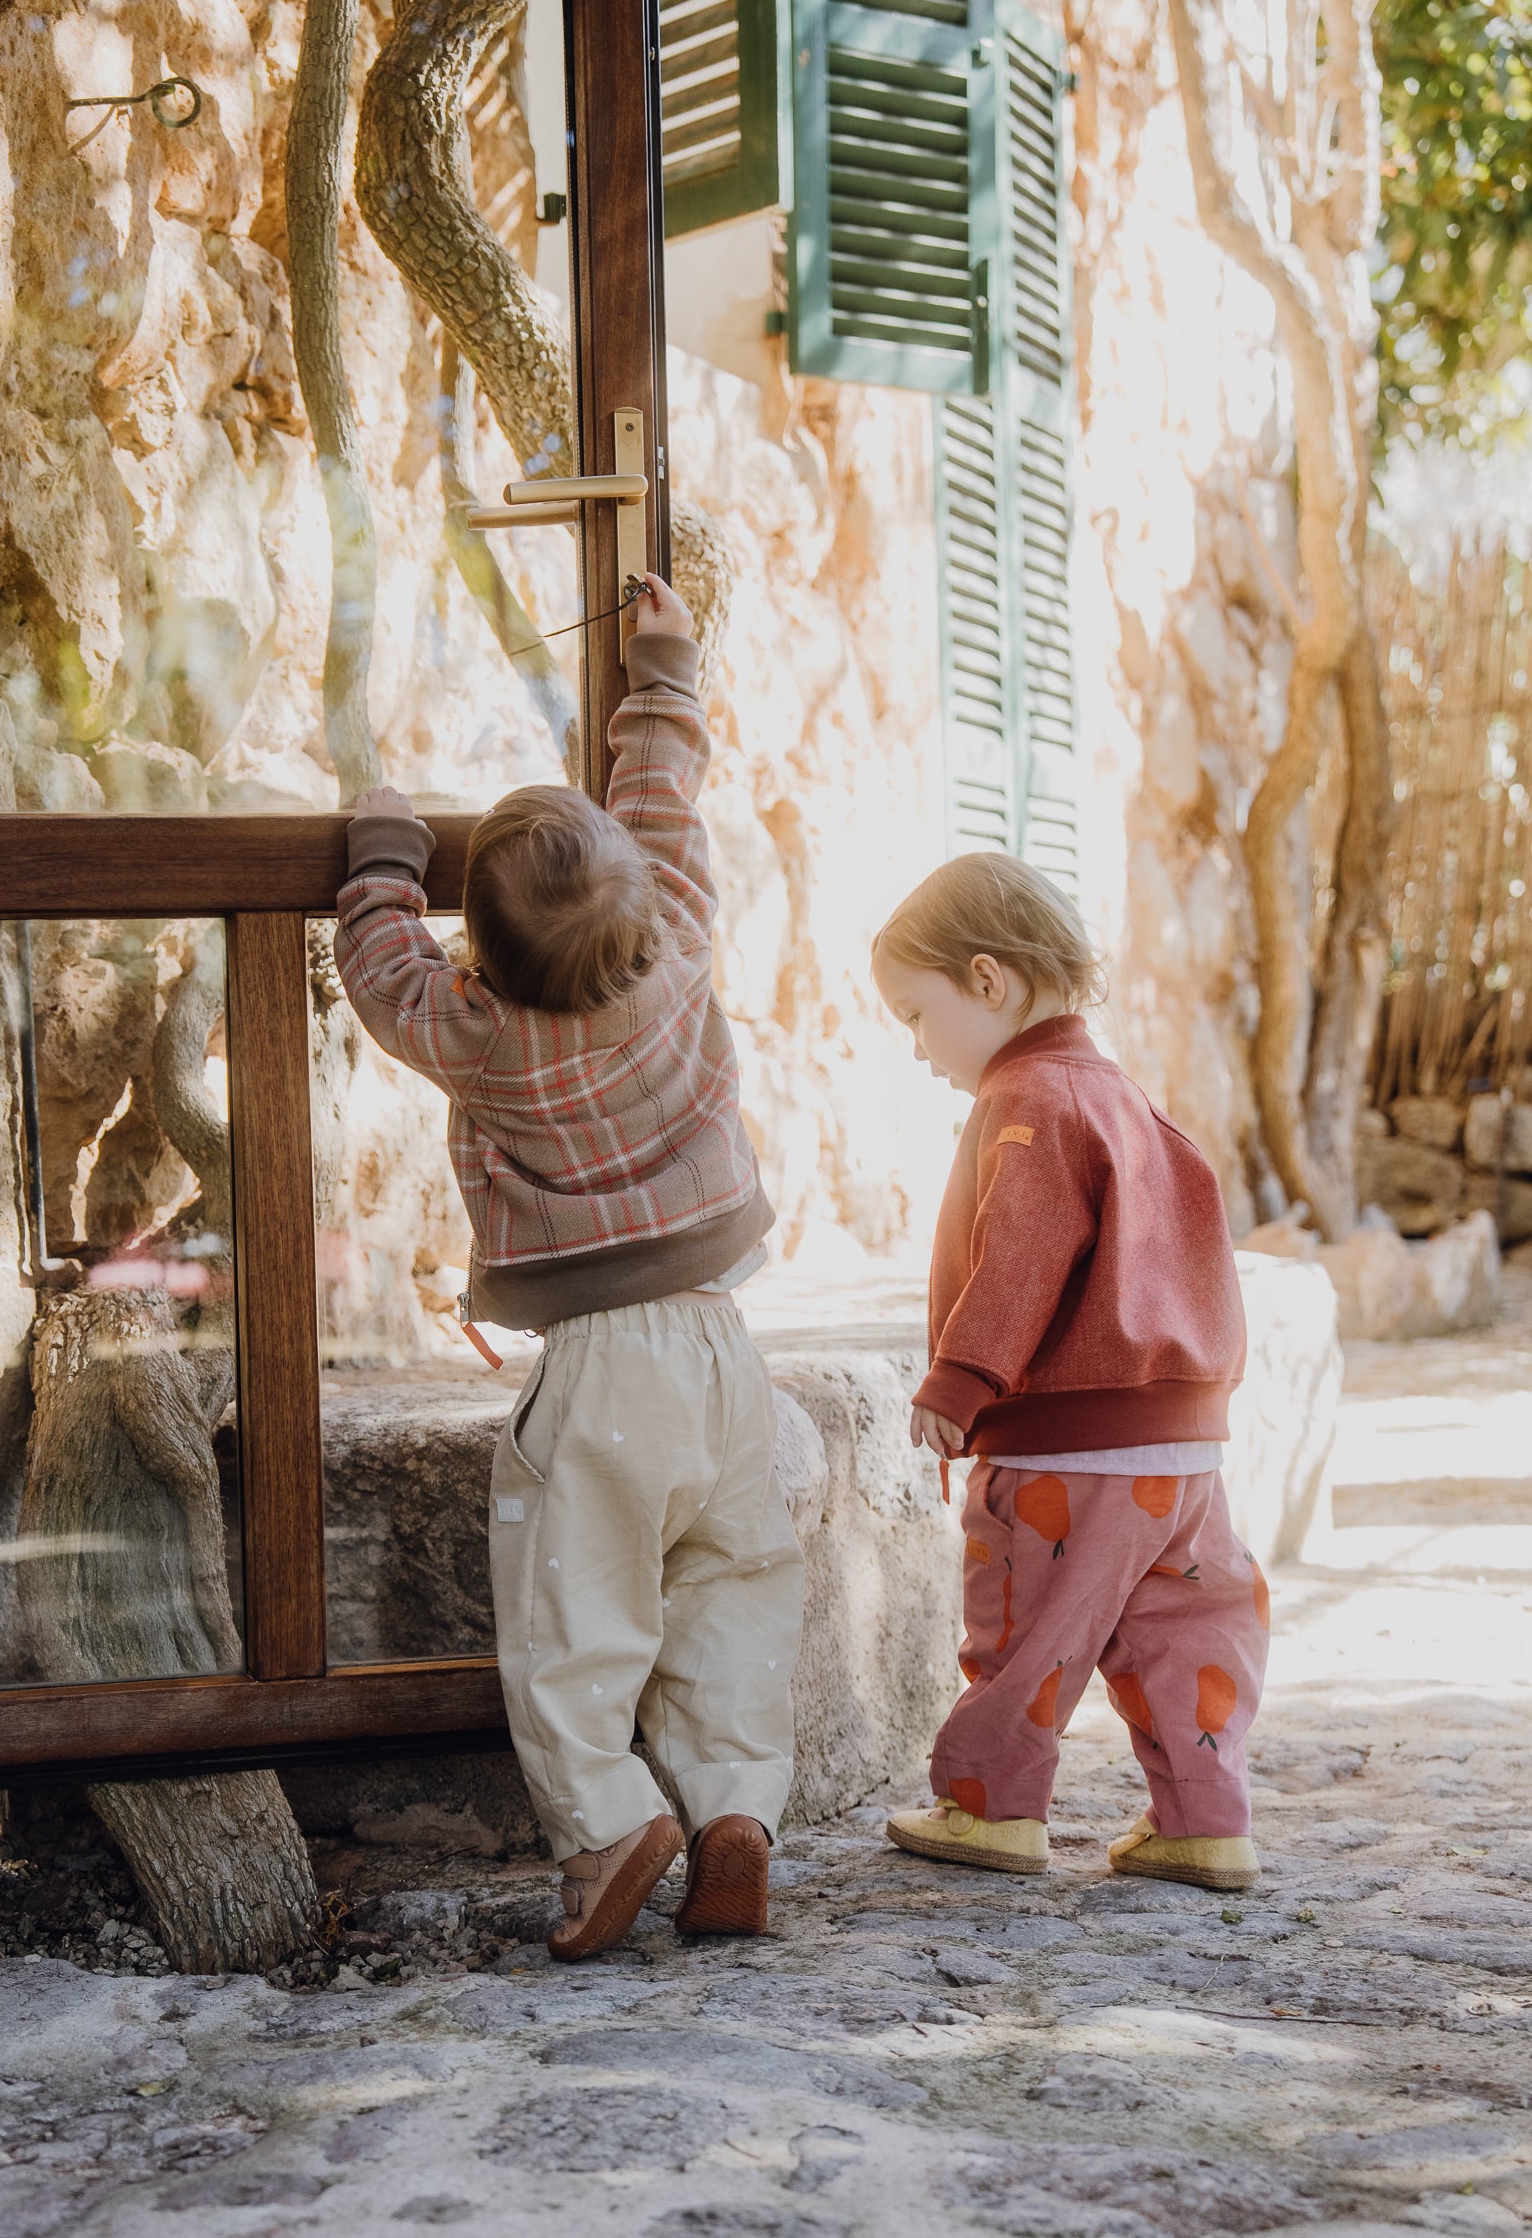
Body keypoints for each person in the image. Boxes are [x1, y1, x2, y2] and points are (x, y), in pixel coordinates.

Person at [333, 572, 804, 1960]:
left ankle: (606, 1825)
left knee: (576, 1617)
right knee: (730, 1587)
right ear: (640, 900)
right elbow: (662, 804)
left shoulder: (477, 1032)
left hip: (599, 1368)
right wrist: (660, 670)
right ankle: (733, 1814)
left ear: (478, 956)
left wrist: (381, 854)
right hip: (723, 1351)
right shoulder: (685, 939)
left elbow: (381, 974)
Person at [871, 853, 1266, 1892]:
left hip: (1069, 1452)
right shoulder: (1122, 1096)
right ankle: (1205, 1823)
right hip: (1182, 1458)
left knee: (1029, 1632)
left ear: (987, 980)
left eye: (916, 1015)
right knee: (1186, 1637)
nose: (916, 1047)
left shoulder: (1029, 1098)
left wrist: (961, 1379)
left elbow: (1022, 1253)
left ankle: (990, 1808)